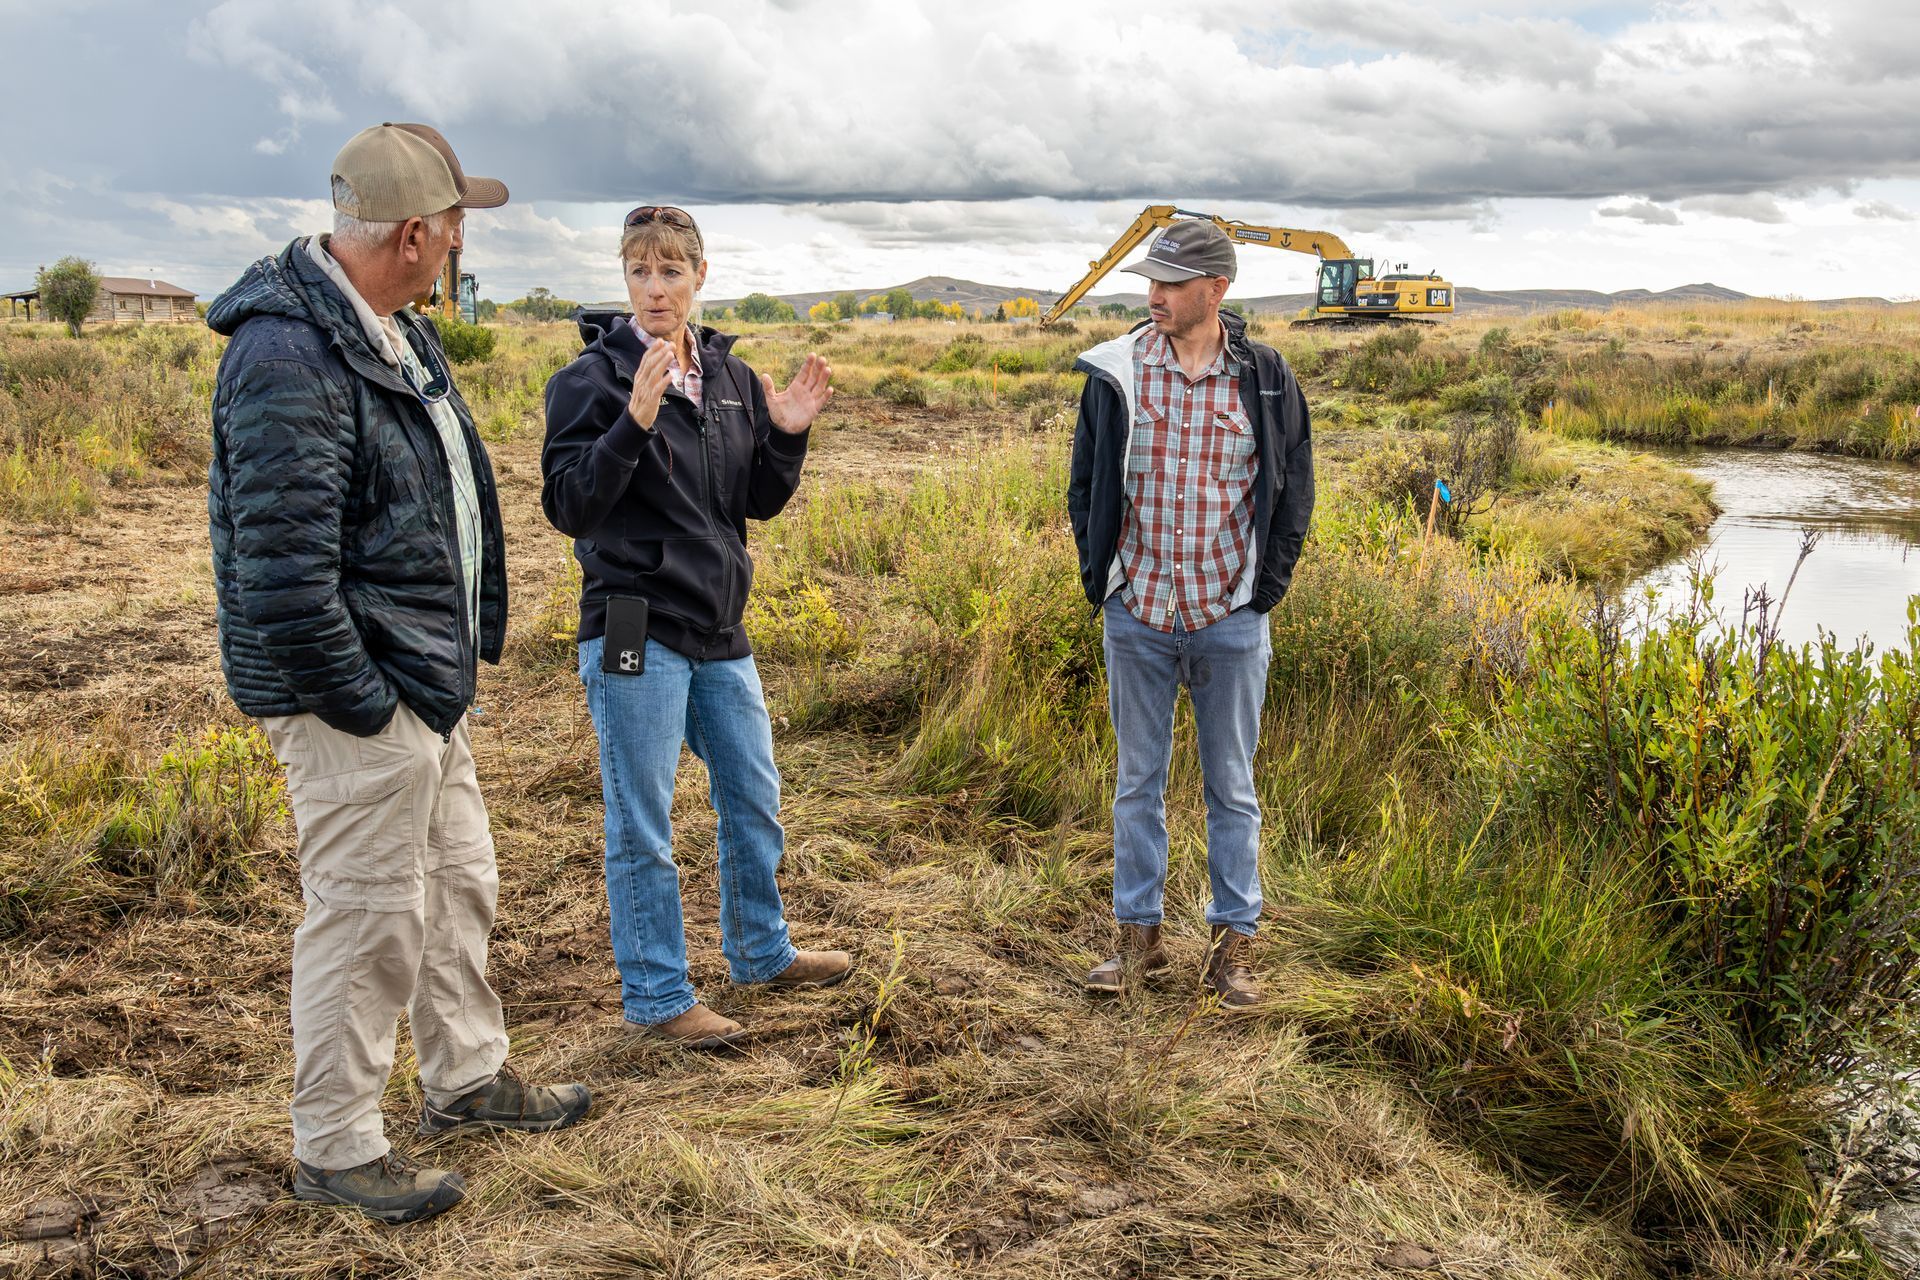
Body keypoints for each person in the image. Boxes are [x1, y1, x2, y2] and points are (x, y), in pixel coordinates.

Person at [206, 122, 589, 1225]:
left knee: (457, 881)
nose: (466, 241)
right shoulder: (287, 355)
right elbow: (281, 576)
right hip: (357, 699)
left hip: (421, 683)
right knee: (368, 912)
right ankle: (336, 1141)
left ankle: (468, 1076)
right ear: (419, 232)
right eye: (461, 223)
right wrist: (369, 705)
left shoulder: (389, 330)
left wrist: (435, 672)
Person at [541, 204, 850, 1050]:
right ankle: (659, 999)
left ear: (699, 278)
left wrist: (787, 436)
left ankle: (760, 951)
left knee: (753, 795)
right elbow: (571, 506)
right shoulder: (589, 383)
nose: (654, 288)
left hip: (719, 627)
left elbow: (753, 503)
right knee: (641, 819)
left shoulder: (730, 380)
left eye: (671, 271)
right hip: (634, 624)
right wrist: (630, 426)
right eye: (640, 271)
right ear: (625, 278)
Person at [1065, 218, 1315, 1010]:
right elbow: (1084, 484)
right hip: (1137, 611)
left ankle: (1231, 951)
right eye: (1153, 282)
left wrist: (1263, 592)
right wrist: (1103, 580)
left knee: (1231, 788)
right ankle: (1136, 944)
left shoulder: (1267, 378)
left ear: (1217, 290)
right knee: (1137, 783)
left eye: (1172, 283)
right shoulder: (1117, 371)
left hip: (1228, 618)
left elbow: (1294, 491)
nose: (1155, 296)